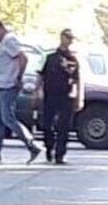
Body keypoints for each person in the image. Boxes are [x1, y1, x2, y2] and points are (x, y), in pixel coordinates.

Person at [0, 19, 41, 164]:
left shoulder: (9, 40)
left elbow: (23, 58)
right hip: (2, 85)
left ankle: (32, 146)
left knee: (8, 118)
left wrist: (18, 77)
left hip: (9, 85)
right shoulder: (5, 42)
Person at [33, 28, 82, 165]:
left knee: (63, 126)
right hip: (50, 94)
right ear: (61, 37)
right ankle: (49, 148)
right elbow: (40, 75)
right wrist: (37, 92)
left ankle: (60, 154)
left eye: (71, 39)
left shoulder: (73, 59)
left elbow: (77, 80)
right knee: (47, 124)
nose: (69, 41)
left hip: (66, 95)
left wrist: (79, 98)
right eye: (67, 37)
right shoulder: (49, 57)